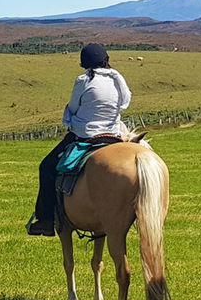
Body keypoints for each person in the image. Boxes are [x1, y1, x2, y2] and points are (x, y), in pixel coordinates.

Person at [27, 44, 131, 236]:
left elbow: (74, 107)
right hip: (114, 135)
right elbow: (125, 103)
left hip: (86, 134)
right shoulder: (118, 78)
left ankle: (46, 220)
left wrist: (72, 119)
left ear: (86, 63)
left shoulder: (84, 80)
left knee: (46, 167)